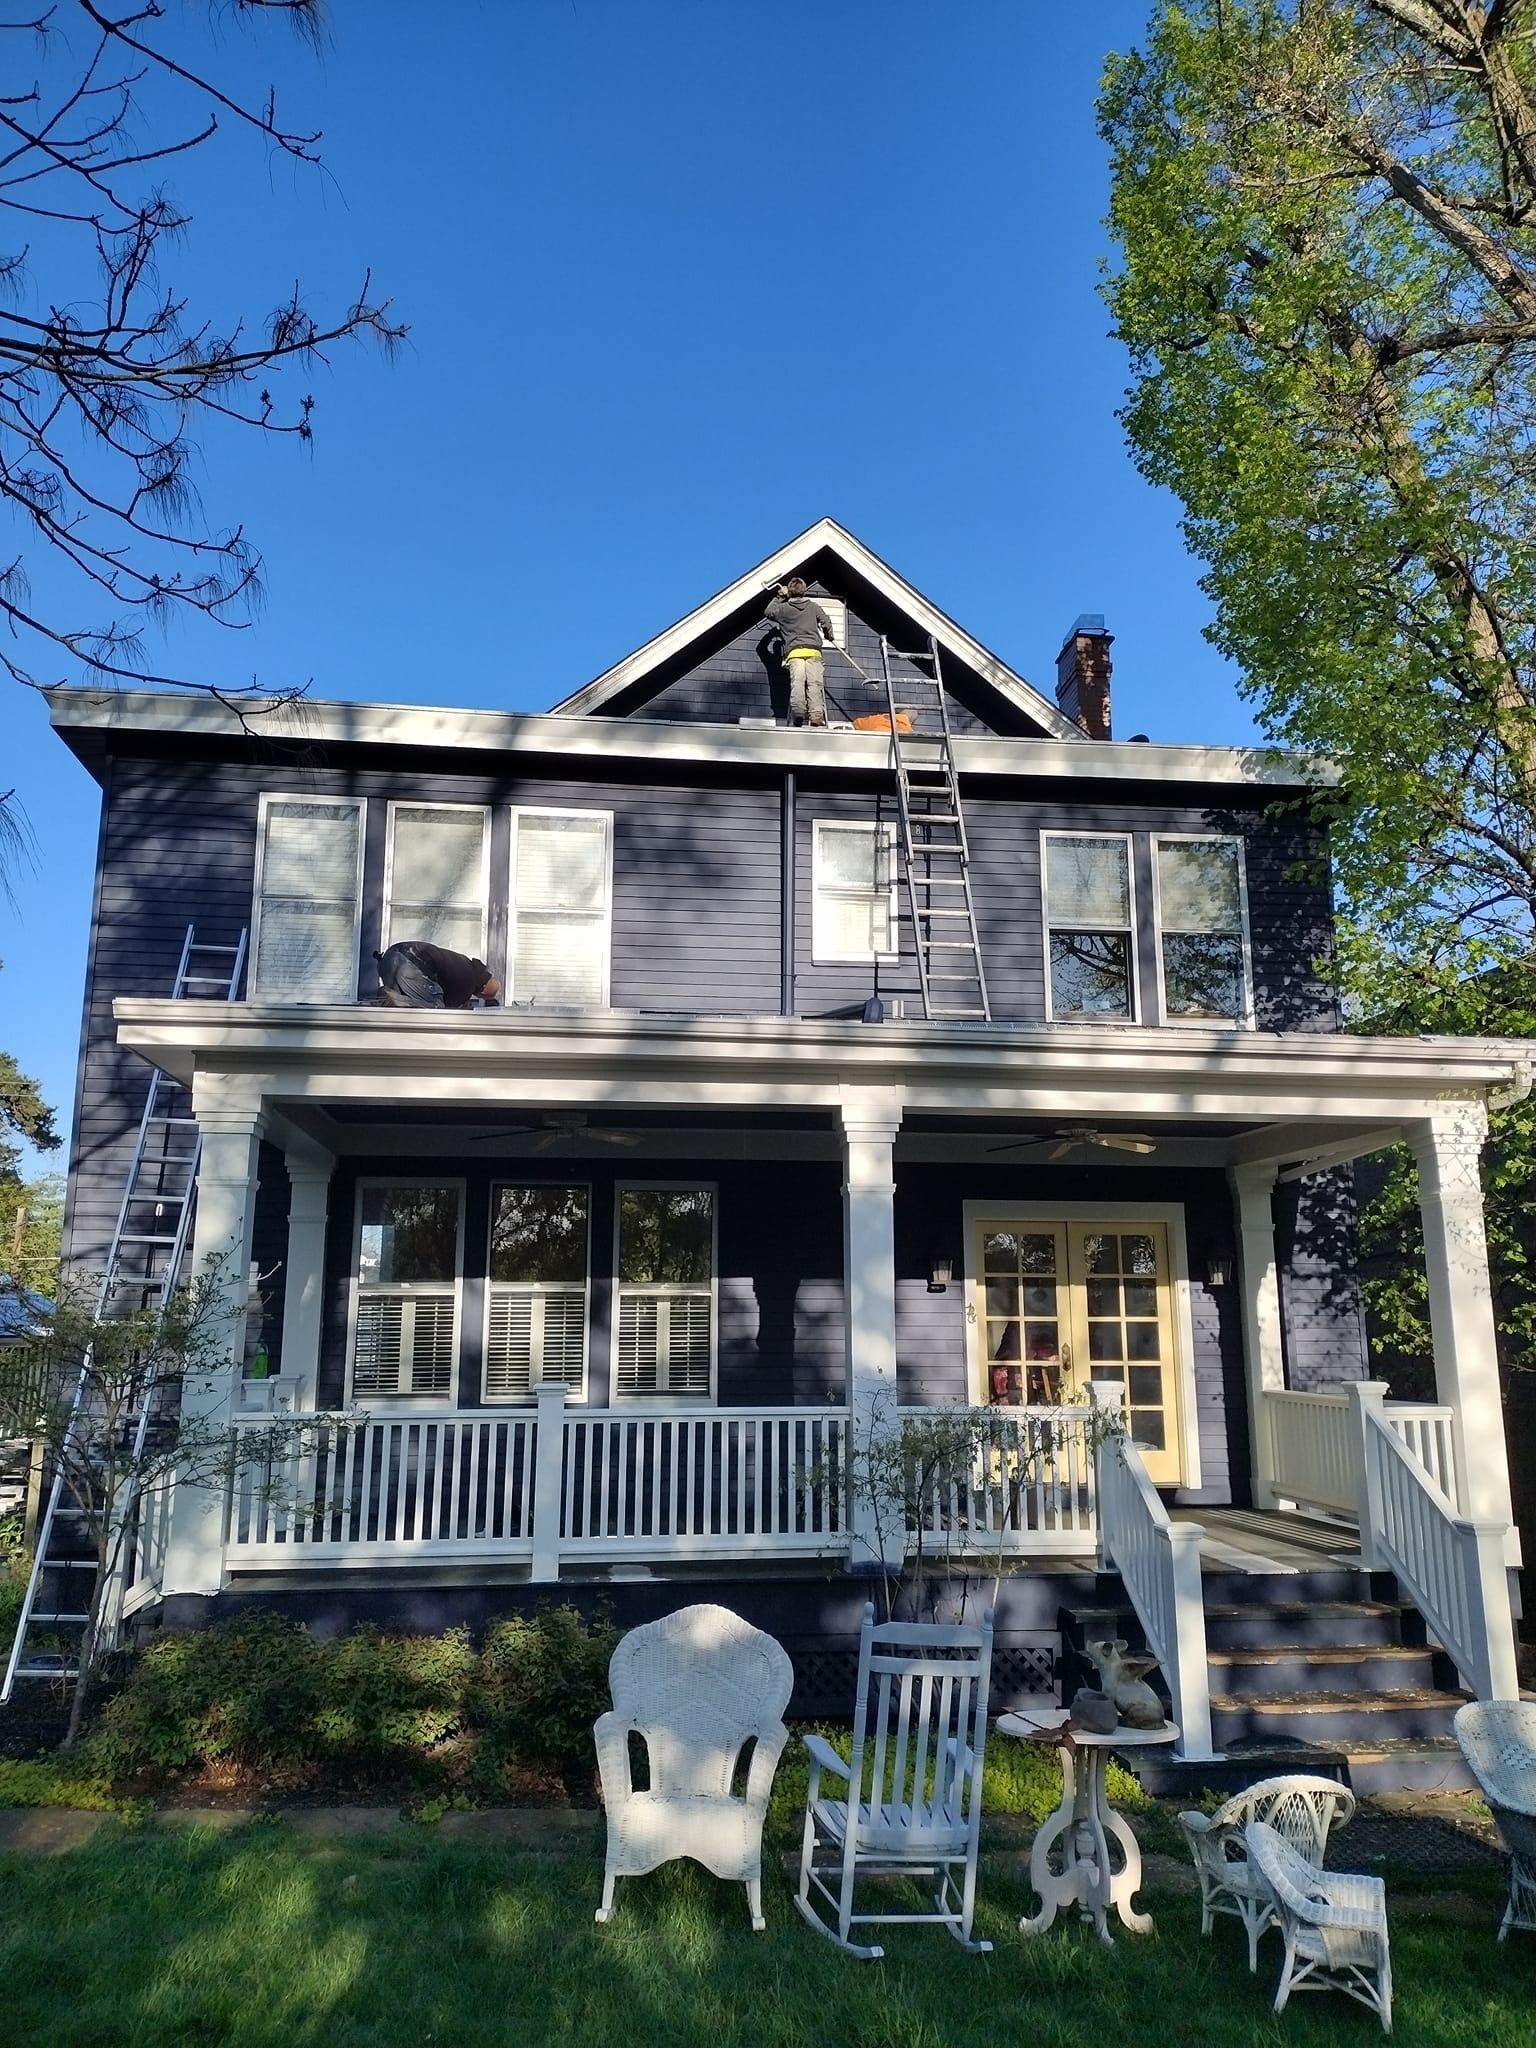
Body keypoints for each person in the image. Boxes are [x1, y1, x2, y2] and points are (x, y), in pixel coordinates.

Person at [763, 576, 834, 728]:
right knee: (814, 684)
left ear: (790, 591)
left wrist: (779, 596)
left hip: (794, 653)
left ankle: (798, 714)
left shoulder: (783, 609)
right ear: (804, 591)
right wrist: (829, 635)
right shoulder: (813, 607)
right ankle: (816, 717)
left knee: (797, 683)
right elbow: (826, 622)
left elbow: (768, 612)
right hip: (813, 652)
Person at [373, 940, 500, 1009]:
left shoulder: (465, 963)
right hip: (408, 963)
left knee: (413, 1003)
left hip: (389, 957)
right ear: (482, 989)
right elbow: (450, 1010)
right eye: (482, 996)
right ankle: (396, 1000)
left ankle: (390, 999)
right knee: (436, 1009)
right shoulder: (468, 984)